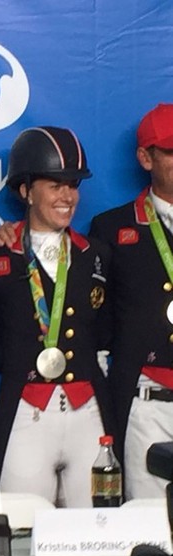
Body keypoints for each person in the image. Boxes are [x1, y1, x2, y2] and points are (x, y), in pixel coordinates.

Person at [0, 126, 115, 507]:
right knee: (20, 530)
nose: (67, 196)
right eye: (55, 185)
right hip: (27, 410)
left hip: (89, 411)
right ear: (25, 190)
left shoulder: (97, 254)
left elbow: (106, 330)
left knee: (98, 528)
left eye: (73, 185)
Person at [89, 104, 173, 499]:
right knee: (153, 528)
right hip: (147, 402)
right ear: (145, 157)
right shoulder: (111, 227)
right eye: (171, 151)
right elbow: (99, 320)